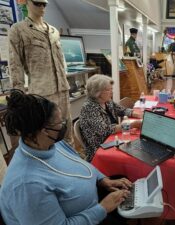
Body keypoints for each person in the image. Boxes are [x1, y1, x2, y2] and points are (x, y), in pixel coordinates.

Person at [0, 89, 131, 225]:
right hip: (89, 214)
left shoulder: (52, 143)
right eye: (60, 123)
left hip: (90, 204)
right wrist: (102, 208)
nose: (64, 125)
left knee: (125, 185)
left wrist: (102, 179)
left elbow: (81, 165)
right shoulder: (27, 186)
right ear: (44, 130)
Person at [8, 0, 73, 146]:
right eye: (38, 3)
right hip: (42, 94)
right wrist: (17, 95)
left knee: (66, 132)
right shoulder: (18, 30)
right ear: (26, 3)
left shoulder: (54, 31)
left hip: (62, 90)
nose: (42, 7)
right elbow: (15, 64)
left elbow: (61, 61)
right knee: (47, 136)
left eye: (45, 4)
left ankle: (71, 161)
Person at [79, 75, 143, 162]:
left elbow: (122, 110)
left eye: (111, 89)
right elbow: (105, 131)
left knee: (138, 145)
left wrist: (139, 115)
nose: (112, 92)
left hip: (114, 138)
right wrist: (131, 125)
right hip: (100, 149)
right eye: (108, 90)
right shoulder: (89, 108)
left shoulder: (106, 101)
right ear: (97, 92)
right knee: (137, 152)